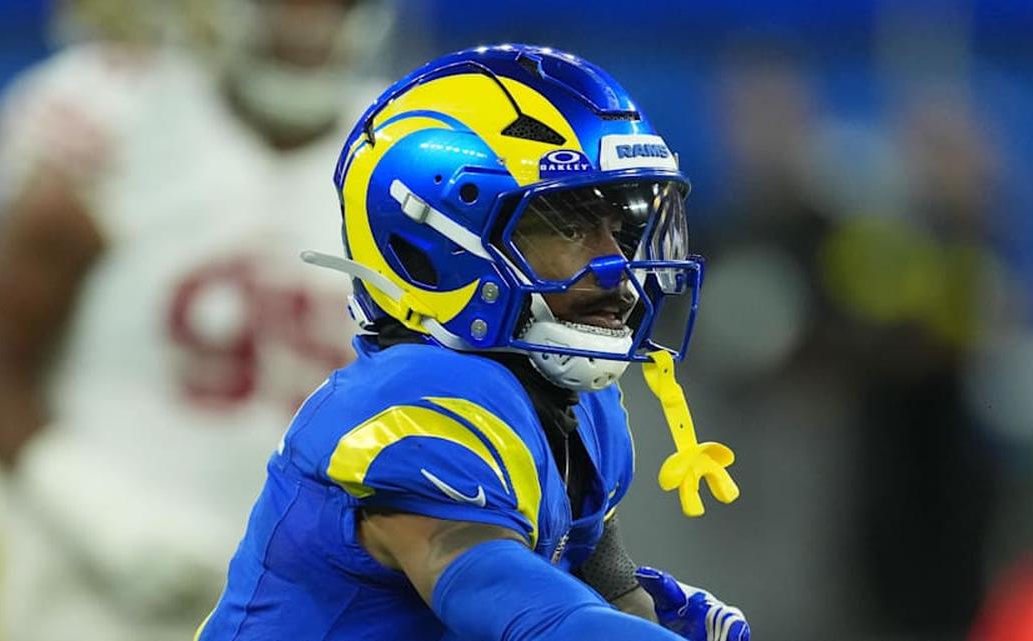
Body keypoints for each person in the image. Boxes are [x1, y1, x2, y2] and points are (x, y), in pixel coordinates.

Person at [198, 44, 750, 641]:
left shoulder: (575, 407)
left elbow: (605, 590)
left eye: (618, 228)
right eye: (567, 226)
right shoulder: (415, 402)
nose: (615, 266)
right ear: (433, 244)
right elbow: (517, 609)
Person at [0, 1, 386, 639]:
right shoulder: (112, 110)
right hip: (88, 599)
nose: (307, 17)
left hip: (304, 605)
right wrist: (104, 513)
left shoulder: (398, 152)